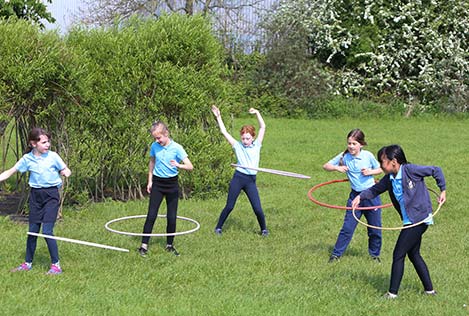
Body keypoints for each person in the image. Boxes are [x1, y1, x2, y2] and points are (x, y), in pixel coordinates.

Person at [352, 144, 446, 298]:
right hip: (409, 219)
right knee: (414, 254)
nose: (381, 165)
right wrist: (360, 197)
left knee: (398, 254)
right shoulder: (389, 178)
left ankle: (392, 293)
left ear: (393, 161)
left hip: (419, 219)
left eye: (383, 162)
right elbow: (375, 190)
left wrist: (442, 190)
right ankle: (430, 291)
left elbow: (436, 170)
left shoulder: (410, 170)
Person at [0, 128, 71, 275]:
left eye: (48, 142)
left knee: (46, 231)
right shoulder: (27, 159)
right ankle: (27, 263)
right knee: (32, 232)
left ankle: (56, 265)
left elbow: (66, 169)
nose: (48, 145)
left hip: (51, 195)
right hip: (35, 197)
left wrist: (65, 172)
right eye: (44, 142)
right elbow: (10, 171)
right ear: (33, 144)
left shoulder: (53, 156)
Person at [323, 128, 383, 263]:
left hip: (371, 195)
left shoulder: (368, 155)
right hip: (355, 196)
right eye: (349, 143)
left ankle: (374, 255)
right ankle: (336, 255)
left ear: (361, 144)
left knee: (375, 228)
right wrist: (336, 168)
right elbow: (325, 166)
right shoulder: (344, 157)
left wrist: (370, 172)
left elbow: (381, 169)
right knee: (347, 227)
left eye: (354, 144)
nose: (351, 146)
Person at [211, 105, 268, 236]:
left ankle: (264, 229)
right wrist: (218, 117)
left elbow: (263, 127)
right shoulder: (237, 146)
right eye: (243, 138)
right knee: (230, 206)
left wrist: (257, 113)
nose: (245, 141)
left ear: (252, 137)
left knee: (257, 208)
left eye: (248, 138)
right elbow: (224, 132)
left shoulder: (257, 145)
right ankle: (218, 227)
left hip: (250, 181)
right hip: (239, 178)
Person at [138, 120, 193, 257]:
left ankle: (170, 245)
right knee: (151, 215)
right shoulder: (154, 146)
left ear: (166, 133)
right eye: (155, 138)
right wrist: (150, 180)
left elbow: (190, 166)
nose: (157, 140)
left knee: (172, 216)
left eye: (159, 137)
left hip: (172, 185)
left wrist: (179, 165)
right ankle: (144, 246)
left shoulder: (177, 148)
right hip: (157, 184)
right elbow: (152, 162)